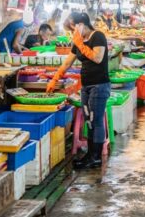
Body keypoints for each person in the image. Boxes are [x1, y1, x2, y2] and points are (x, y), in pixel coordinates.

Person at [46, 12, 110, 169]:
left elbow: (97, 58)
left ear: (82, 24)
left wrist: (80, 43)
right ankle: (90, 155)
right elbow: (68, 62)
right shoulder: (78, 41)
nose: (73, 31)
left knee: (96, 120)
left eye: (74, 27)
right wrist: (55, 78)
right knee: (89, 120)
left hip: (99, 85)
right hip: (86, 86)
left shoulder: (98, 36)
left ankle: (95, 157)